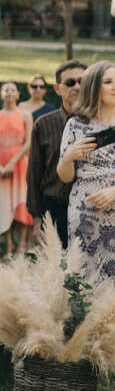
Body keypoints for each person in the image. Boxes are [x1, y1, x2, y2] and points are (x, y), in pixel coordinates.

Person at [57, 61, 115, 284]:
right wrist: (68, 157)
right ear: (93, 87)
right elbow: (65, 177)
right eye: (108, 82)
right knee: (85, 281)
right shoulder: (75, 125)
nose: (114, 87)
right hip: (85, 215)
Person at [26, 61, 87, 248]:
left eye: (82, 81)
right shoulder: (43, 124)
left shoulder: (100, 123)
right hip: (54, 207)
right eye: (70, 82)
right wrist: (37, 217)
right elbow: (34, 173)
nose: (77, 87)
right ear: (57, 88)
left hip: (90, 209)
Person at [0, 82, 34, 256]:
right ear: (1, 94)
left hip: (19, 162)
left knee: (21, 202)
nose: (9, 93)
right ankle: (8, 246)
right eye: (6, 90)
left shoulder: (25, 115)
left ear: (17, 94)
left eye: (12, 90)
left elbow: (28, 142)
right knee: (3, 203)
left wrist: (12, 163)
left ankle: (21, 245)